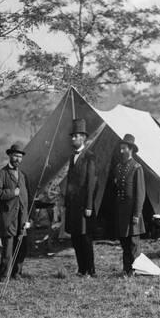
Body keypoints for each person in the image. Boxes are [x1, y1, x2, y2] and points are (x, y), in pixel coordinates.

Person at [0, 143, 32, 282]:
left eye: (20, 157)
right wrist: (12, 193)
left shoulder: (23, 176)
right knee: (8, 251)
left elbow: (27, 199)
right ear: (9, 155)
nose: (18, 159)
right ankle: (3, 276)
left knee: (21, 249)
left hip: (22, 219)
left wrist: (27, 218)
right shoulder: (1, 174)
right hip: (8, 219)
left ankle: (17, 273)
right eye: (15, 156)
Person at [65, 119, 97, 277]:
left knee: (85, 238)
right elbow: (70, 181)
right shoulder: (72, 157)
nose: (72, 139)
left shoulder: (89, 156)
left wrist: (89, 206)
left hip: (84, 205)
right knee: (76, 237)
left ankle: (90, 270)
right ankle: (81, 268)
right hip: (73, 205)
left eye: (75, 136)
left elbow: (91, 183)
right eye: (72, 136)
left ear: (83, 138)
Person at [112, 134, 146, 277]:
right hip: (122, 212)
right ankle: (127, 269)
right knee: (124, 242)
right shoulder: (118, 167)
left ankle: (136, 270)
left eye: (124, 148)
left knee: (133, 243)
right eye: (120, 148)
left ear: (131, 149)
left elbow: (140, 193)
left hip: (132, 212)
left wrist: (137, 214)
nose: (121, 151)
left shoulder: (137, 168)